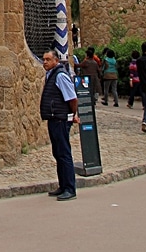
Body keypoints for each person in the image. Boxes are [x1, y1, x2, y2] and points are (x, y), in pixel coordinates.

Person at [40, 49, 80, 201]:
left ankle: (69, 187)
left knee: (63, 153)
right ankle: (63, 185)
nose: (45, 62)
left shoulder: (60, 76)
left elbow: (71, 98)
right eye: (44, 59)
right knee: (58, 152)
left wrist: (72, 114)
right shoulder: (51, 75)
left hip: (61, 119)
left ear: (56, 61)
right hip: (54, 118)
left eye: (48, 59)